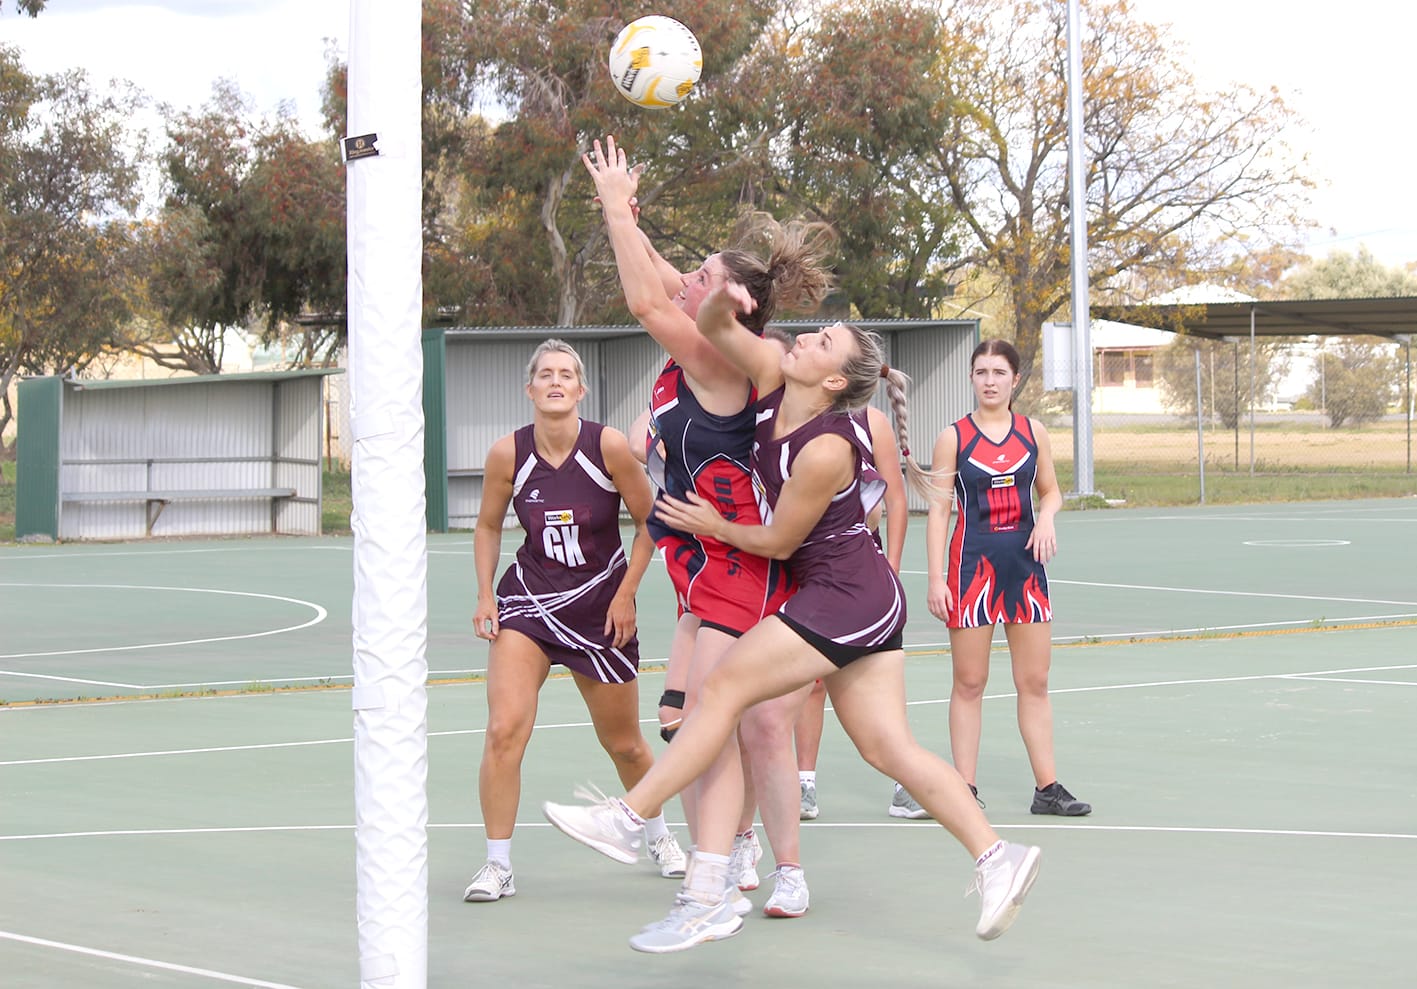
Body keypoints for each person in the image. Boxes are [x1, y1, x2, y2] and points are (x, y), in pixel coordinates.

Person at [541, 283, 1043, 953]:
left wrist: (714, 523)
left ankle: (633, 817)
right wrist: (721, 296)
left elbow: (778, 542)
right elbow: (716, 328)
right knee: (885, 747)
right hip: (855, 598)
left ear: (833, 378)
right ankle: (995, 854)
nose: (805, 338)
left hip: (845, 595)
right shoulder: (776, 380)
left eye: (822, 341)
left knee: (720, 690)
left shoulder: (827, 447)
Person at [582, 135, 835, 918]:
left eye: (702, 277)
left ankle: (720, 872)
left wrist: (615, 207)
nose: (684, 279)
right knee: (750, 723)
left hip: (742, 557)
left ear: (731, 302)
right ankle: (741, 860)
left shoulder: (720, 355)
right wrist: (630, 216)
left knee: (718, 720)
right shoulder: (698, 340)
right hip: (698, 554)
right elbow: (660, 276)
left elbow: (646, 299)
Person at [461, 339, 686, 903]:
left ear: (581, 389)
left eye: (566, 374)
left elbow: (650, 520)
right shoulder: (507, 454)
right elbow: (488, 525)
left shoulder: (607, 446)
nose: (556, 381)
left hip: (599, 610)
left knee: (626, 744)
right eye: (546, 374)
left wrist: (628, 592)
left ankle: (656, 834)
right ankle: (497, 864)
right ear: (531, 388)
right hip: (529, 606)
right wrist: (486, 594)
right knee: (503, 729)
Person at [924, 338, 1091, 817]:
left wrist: (1046, 517)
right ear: (972, 379)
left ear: (1015, 379)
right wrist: (936, 579)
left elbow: (1052, 491)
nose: (990, 381)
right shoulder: (953, 436)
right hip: (971, 567)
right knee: (970, 682)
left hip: (1025, 569)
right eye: (981, 372)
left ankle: (1047, 788)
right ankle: (964, 789)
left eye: (999, 372)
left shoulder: (1032, 431)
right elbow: (938, 512)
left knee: (1034, 681)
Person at [792, 401, 909, 822]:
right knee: (810, 681)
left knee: (882, 673)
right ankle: (804, 782)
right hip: (807, 566)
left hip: (862, 566)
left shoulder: (870, 421)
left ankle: (905, 782)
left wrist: (891, 569)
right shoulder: (785, 414)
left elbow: (895, 500)